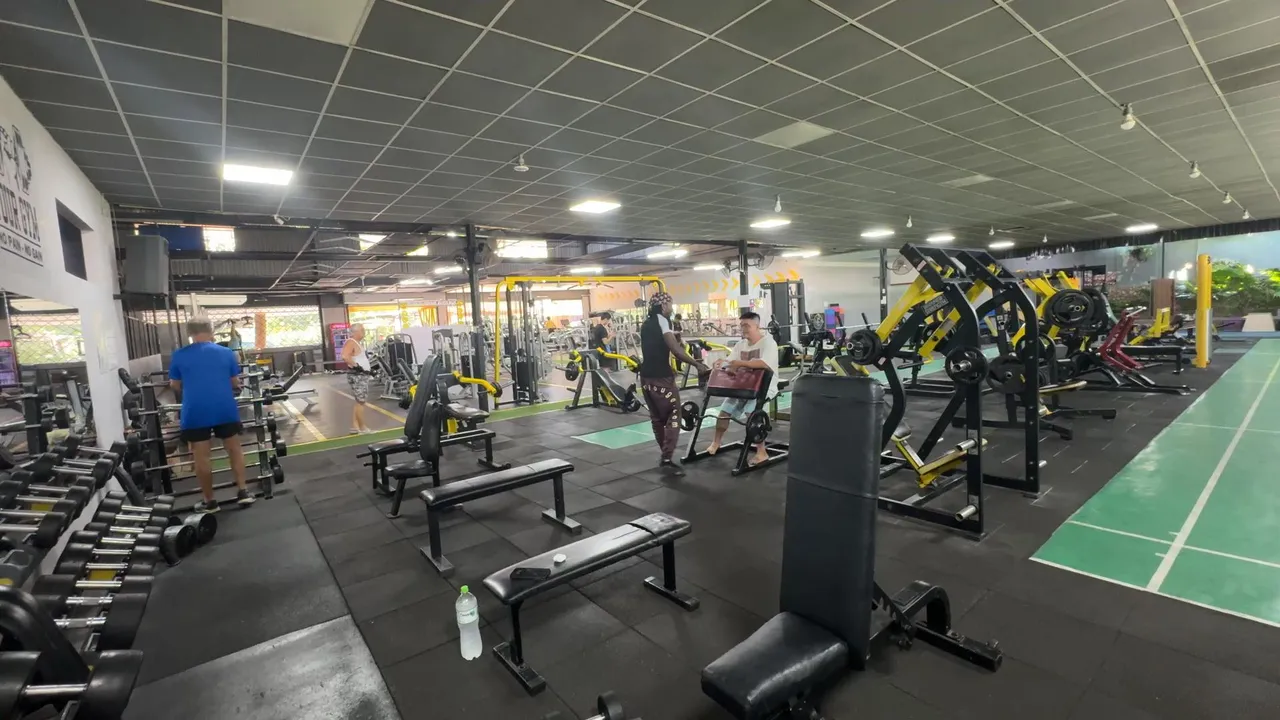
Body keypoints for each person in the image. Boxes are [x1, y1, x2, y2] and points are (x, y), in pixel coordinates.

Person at [168, 317, 256, 514]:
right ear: (211, 331)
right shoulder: (226, 353)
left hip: (195, 410)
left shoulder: (179, 355)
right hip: (224, 407)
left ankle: (210, 502)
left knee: (202, 457)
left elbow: (175, 384)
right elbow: (235, 382)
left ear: (189, 333)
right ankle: (243, 492)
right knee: (234, 450)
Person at [639, 292, 709, 476]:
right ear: (664, 306)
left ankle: (665, 455)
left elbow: (655, 348)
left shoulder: (646, 324)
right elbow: (676, 350)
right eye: (670, 304)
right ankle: (667, 458)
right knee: (674, 414)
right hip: (661, 377)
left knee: (657, 418)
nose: (672, 308)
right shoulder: (663, 321)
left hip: (645, 378)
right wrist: (697, 364)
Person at [705, 312, 780, 467]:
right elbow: (730, 361)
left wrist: (739, 364)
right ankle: (716, 442)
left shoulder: (769, 343)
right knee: (723, 413)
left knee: (752, 414)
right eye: (741, 325)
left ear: (757, 326)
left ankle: (761, 452)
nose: (743, 329)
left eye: (747, 325)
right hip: (743, 386)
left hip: (764, 387)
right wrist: (722, 363)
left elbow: (764, 364)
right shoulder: (740, 345)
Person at [341, 323, 373, 434]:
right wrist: (357, 367)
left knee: (359, 401)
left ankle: (355, 427)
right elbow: (345, 356)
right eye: (362, 330)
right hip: (357, 376)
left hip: (361, 375)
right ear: (355, 332)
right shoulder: (351, 342)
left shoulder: (356, 343)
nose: (364, 332)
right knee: (361, 402)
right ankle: (363, 428)